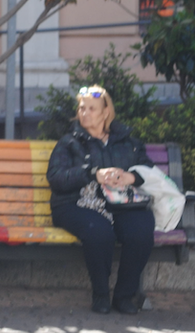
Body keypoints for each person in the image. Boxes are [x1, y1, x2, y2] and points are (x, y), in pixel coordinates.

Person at [46, 85, 156, 315]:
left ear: (106, 112)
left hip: (122, 203)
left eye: (91, 109)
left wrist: (131, 177)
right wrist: (93, 174)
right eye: (81, 108)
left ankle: (125, 295)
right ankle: (100, 295)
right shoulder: (69, 142)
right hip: (75, 203)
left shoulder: (129, 142)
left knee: (141, 229)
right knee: (99, 231)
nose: (84, 113)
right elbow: (56, 178)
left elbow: (148, 170)